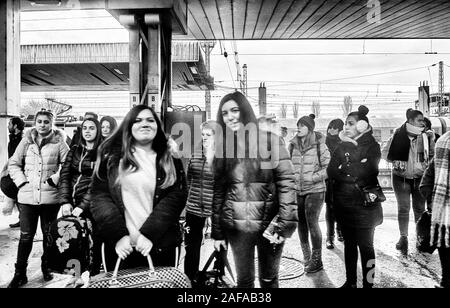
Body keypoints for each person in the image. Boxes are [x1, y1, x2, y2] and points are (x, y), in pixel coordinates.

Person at [212, 91, 297, 288]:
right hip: (237, 227)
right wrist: (217, 232)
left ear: (245, 111)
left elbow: (287, 183)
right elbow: (219, 193)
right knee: (244, 282)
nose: (230, 116)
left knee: (268, 280)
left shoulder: (271, 141)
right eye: (224, 113)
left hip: (269, 226)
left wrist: (284, 224)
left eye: (235, 110)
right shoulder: (223, 147)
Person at [89, 105, 187, 270]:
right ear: (128, 126)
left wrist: (148, 234)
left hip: (160, 245)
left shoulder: (170, 158)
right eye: (138, 120)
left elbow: (176, 197)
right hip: (120, 248)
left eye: (150, 120)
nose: (145, 124)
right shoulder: (111, 158)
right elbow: (99, 197)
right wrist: (118, 236)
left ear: (157, 126)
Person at [7, 109, 70, 288]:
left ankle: (47, 266)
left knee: (48, 236)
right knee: (26, 236)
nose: (42, 125)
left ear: (52, 124)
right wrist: (21, 182)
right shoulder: (26, 141)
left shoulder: (60, 142)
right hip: (27, 198)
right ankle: (20, 273)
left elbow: (67, 165)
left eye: (46, 122)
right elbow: (13, 163)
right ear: (35, 123)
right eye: (39, 121)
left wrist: (54, 179)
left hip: (50, 198)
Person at [327, 106, 383, 288]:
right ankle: (350, 282)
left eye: (350, 123)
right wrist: (353, 171)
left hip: (366, 204)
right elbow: (331, 170)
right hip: (344, 203)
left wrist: (347, 169)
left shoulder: (372, 146)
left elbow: (370, 170)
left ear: (362, 125)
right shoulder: (341, 145)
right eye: (345, 123)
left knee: (366, 247)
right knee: (349, 246)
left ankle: (368, 284)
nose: (346, 126)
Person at [382, 108, 435, 254]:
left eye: (423, 120)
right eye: (419, 120)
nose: (422, 123)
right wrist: (396, 159)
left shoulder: (426, 137)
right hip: (401, 177)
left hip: (419, 178)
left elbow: (432, 156)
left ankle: (420, 237)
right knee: (403, 209)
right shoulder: (397, 135)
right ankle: (403, 237)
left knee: (419, 209)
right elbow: (384, 153)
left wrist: (425, 165)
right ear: (410, 120)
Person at [58, 118, 103, 275]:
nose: (88, 131)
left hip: (93, 204)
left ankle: (94, 275)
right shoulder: (75, 150)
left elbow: (98, 181)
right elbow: (64, 175)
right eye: (85, 128)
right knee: (73, 241)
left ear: (97, 130)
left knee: (94, 241)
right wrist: (65, 201)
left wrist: (81, 206)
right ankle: (75, 276)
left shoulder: (102, 151)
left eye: (91, 128)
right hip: (72, 202)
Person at [289, 114, 330, 273]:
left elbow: (329, 168)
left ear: (310, 128)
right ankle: (307, 257)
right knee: (301, 223)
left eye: (302, 125)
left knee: (312, 221)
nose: (298, 128)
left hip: (315, 190)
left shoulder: (320, 145)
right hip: (297, 190)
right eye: (298, 125)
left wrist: (313, 178)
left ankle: (317, 260)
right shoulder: (292, 145)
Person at [184, 120, 216, 281]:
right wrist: (191, 198)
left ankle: (218, 277)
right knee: (191, 248)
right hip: (193, 209)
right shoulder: (195, 154)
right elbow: (188, 179)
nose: (204, 137)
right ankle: (189, 280)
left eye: (208, 135)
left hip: (214, 210)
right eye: (202, 134)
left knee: (220, 247)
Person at [420, 131, 450, 288]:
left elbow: (426, 181)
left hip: (442, 210)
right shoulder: (444, 142)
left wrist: (433, 202)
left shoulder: (442, 142)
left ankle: (446, 281)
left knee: (445, 246)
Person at [325, 119, 345, 249]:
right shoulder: (323, 142)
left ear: (340, 130)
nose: (331, 130)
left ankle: (340, 231)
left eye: (334, 128)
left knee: (341, 207)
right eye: (330, 127)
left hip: (342, 179)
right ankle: (330, 236)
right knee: (329, 208)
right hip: (328, 179)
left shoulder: (344, 142)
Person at [5, 117, 25, 228]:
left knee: (20, 196)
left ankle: (23, 220)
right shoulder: (14, 138)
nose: (8, 126)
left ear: (15, 126)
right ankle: (21, 220)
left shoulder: (20, 140)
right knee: (17, 196)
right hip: (15, 171)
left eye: (10, 124)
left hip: (20, 172)